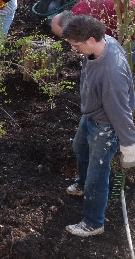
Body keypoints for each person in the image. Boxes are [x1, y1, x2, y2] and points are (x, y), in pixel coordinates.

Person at [60, 15, 135, 237]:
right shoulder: (106, 42)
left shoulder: (112, 73)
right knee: (80, 148)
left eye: (76, 46)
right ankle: (81, 184)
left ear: (91, 39)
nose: (75, 50)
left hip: (106, 126)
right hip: (91, 114)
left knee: (98, 175)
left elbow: (120, 113)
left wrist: (129, 147)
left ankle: (93, 223)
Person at [51, 0, 135, 64]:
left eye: (65, 35)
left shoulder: (85, 24)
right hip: (129, 5)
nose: (67, 39)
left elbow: (104, 44)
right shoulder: (77, 8)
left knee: (120, 61)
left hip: (131, 23)